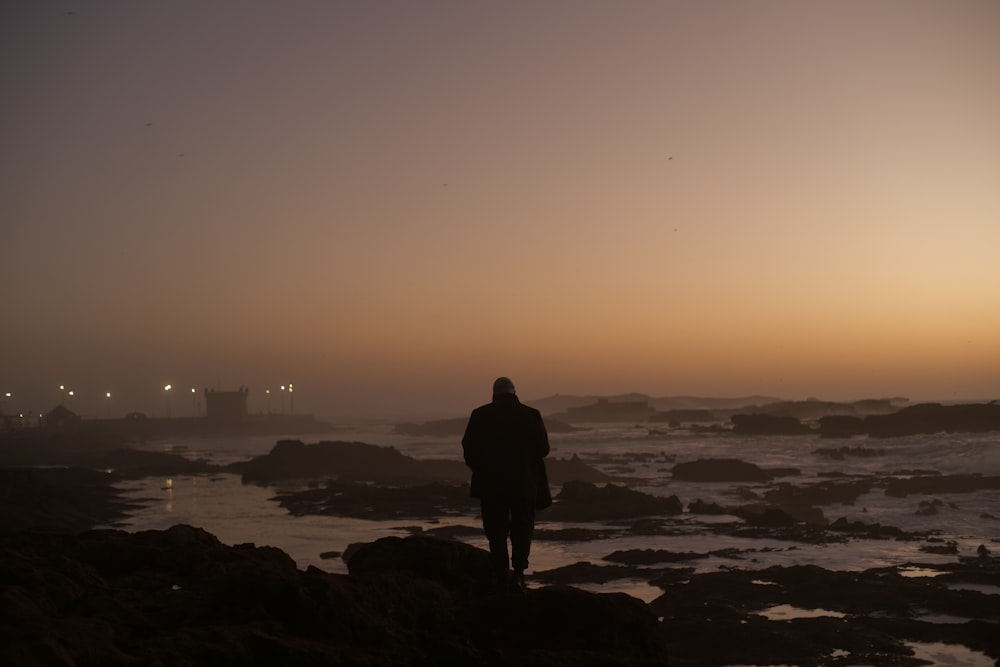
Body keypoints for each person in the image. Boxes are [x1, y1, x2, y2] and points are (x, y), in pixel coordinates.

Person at [462, 376, 550, 593]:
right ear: (515, 393)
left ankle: (501, 575)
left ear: (494, 394)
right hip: (523, 485)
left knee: (496, 531)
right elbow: (543, 449)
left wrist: (482, 470)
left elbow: (469, 449)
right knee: (522, 530)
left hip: (491, 485)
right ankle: (519, 575)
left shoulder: (480, 415)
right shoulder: (531, 415)